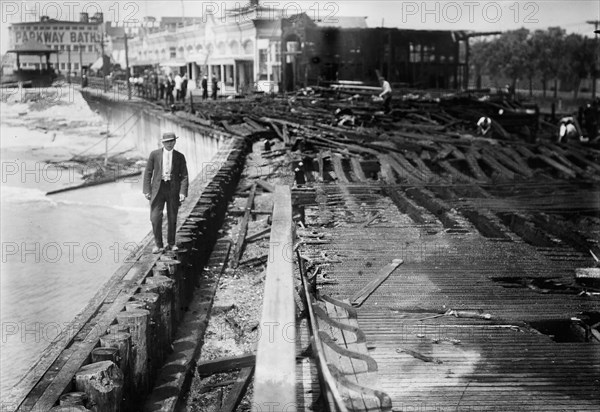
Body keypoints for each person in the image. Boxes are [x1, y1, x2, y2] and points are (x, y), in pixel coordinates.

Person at [143, 132, 189, 253]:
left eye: (172, 141)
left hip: (173, 189)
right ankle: (159, 245)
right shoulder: (154, 154)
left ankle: (171, 243)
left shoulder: (180, 156)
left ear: (175, 141)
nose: (170, 144)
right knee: (155, 218)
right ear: (163, 142)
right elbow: (148, 172)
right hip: (158, 189)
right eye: (167, 142)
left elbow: (184, 175)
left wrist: (183, 192)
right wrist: (147, 190)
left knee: (172, 217)